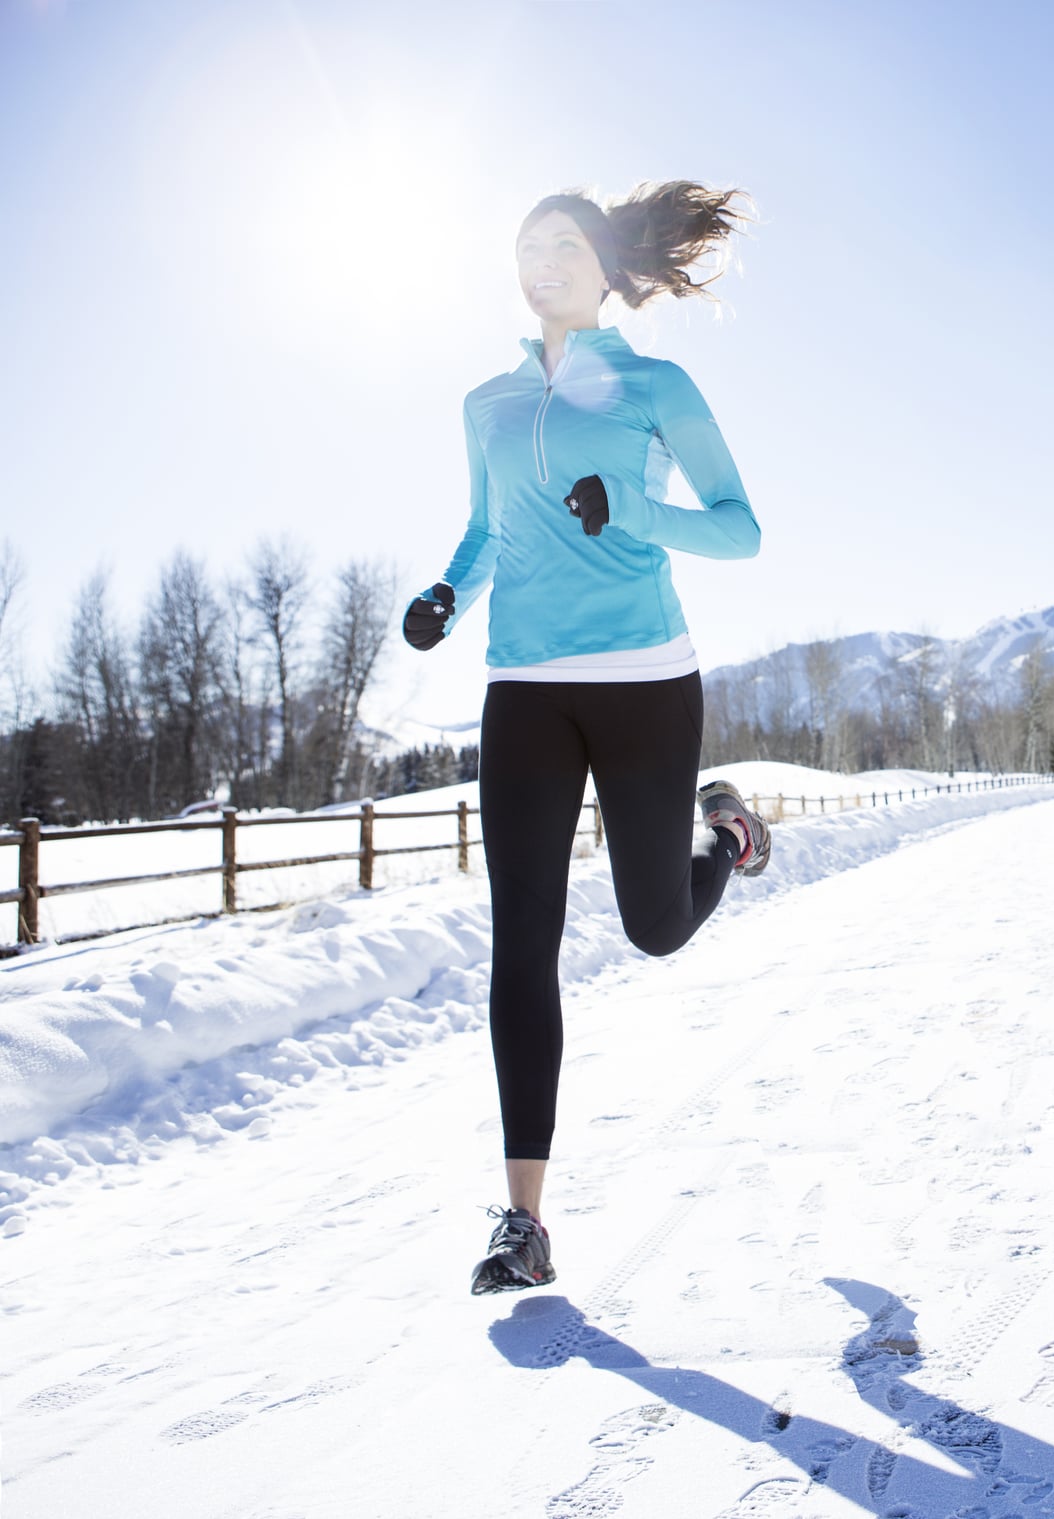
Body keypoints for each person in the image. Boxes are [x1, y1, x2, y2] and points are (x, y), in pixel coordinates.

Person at [403, 180, 772, 1295]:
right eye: (526, 246)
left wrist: (635, 507)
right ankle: (523, 1222)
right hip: (523, 683)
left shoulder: (657, 386)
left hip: (643, 678)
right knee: (523, 937)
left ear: (605, 267)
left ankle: (726, 838)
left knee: (654, 927)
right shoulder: (486, 404)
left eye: (562, 242)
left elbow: (739, 530)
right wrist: (443, 595)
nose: (541, 258)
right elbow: (483, 529)